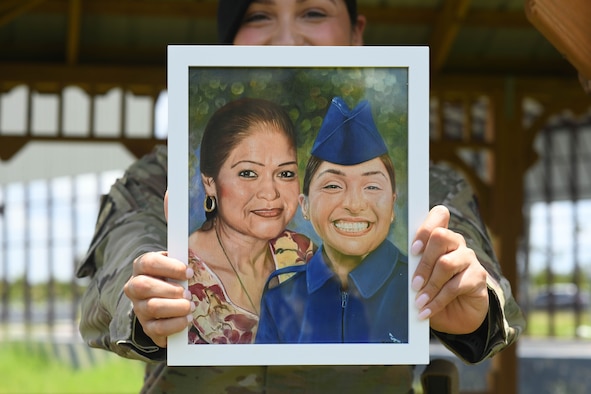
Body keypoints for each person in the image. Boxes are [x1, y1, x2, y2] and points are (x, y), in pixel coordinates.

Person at [76, 0, 525, 392]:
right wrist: (144, 304)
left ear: (356, 34)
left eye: (314, 12)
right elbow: (120, 266)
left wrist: (471, 303)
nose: (287, 38)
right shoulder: (157, 178)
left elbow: (478, 276)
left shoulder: (429, 185)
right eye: (258, 15)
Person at [256, 97, 408, 344]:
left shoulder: (417, 289)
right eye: (333, 185)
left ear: (392, 204)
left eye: (371, 186)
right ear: (304, 205)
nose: (354, 204)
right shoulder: (280, 298)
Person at [183, 97, 313, 345]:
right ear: (210, 183)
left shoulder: (301, 254)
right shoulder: (182, 277)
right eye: (248, 173)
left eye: (285, 174)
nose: (270, 192)